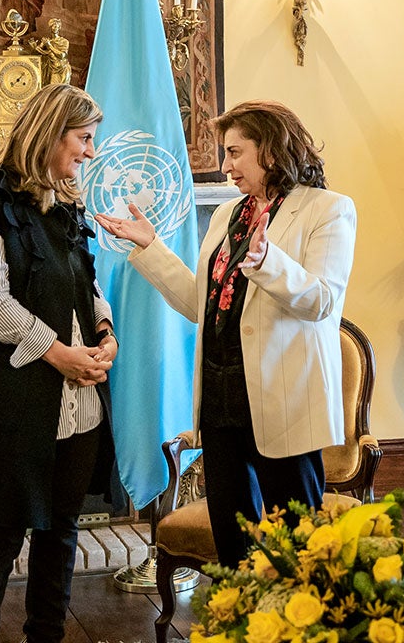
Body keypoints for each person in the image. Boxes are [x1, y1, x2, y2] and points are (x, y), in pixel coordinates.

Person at [95, 100, 356, 567]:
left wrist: (268, 263)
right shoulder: (228, 215)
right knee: (233, 538)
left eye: (236, 152)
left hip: (283, 398)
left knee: (295, 545)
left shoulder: (328, 210)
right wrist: (151, 246)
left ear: (272, 151)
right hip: (220, 398)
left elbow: (322, 302)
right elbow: (202, 303)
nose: (226, 165)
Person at [0, 83, 119, 643]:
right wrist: (59, 354)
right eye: (83, 139)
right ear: (50, 133)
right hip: (10, 405)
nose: (89, 152)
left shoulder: (67, 200)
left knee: (61, 535)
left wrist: (105, 332)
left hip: (77, 406)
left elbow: (88, 281)